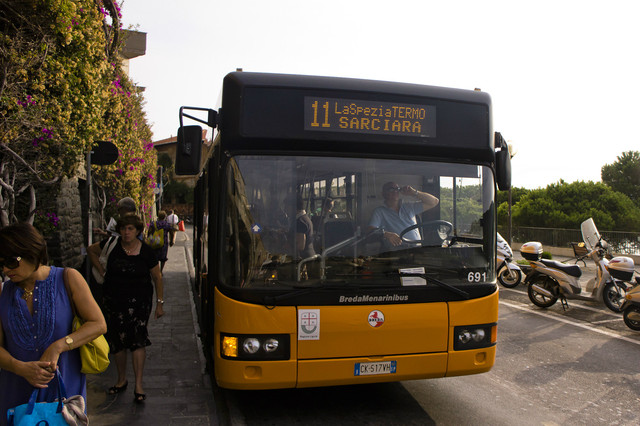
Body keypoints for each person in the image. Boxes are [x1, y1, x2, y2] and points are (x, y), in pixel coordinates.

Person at [0, 223, 107, 425]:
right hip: (16, 392)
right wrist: (21, 368)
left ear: (32, 252)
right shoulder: (2, 293)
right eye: (1, 264)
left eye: (11, 262)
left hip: (63, 388)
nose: (6, 269)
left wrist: (59, 346)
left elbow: (98, 323)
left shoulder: (68, 278)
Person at [87, 214, 164, 404]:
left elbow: (157, 277)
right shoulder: (111, 245)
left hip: (139, 303)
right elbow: (90, 251)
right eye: (123, 229)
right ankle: (121, 380)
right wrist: (102, 270)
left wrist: (160, 303)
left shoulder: (146, 252)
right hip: (114, 301)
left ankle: (138, 384)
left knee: (137, 339)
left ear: (137, 231)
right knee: (117, 341)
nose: (126, 232)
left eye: (130, 229)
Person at [368, 181, 439, 248]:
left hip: (418, 249)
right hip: (397, 252)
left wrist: (414, 193)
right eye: (391, 189)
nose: (395, 191)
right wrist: (386, 234)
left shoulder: (409, 206)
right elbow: (370, 230)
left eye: (397, 189)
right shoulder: (380, 211)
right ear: (383, 193)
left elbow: (434, 202)